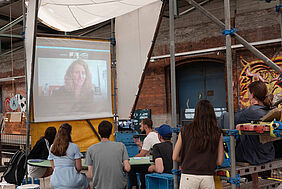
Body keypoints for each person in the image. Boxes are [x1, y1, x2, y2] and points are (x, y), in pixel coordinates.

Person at [173, 100, 224, 189]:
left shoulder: (185, 130)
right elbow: (219, 161)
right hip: (207, 177)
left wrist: (186, 159)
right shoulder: (217, 133)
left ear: (196, 113)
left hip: (188, 176)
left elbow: (174, 157)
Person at [235, 80, 275, 164]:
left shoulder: (251, 111)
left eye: (248, 92)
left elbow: (234, 119)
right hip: (268, 153)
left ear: (252, 94)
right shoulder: (269, 110)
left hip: (254, 156)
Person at [86, 120, 131, 189]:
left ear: (98, 133)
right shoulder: (121, 146)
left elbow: (90, 175)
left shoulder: (90, 149)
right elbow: (127, 168)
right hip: (119, 186)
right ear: (111, 133)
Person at [48, 123, 89, 189]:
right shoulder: (74, 147)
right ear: (69, 133)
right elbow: (79, 168)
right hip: (71, 182)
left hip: (55, 181)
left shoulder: (53, 147)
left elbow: (54, 167)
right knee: (86, 181)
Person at [129, 118, 160, 189]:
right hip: (158, 162)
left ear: (145, 126)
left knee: (131, 167)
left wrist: (130, 159)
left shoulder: (148, 137)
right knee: (142, 170)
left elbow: (142, 154)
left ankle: (134, 187)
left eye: (141, 126)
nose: (140, 128)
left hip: (154, 163)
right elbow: (148, 148)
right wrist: (140, 144)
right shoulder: (155, 134)